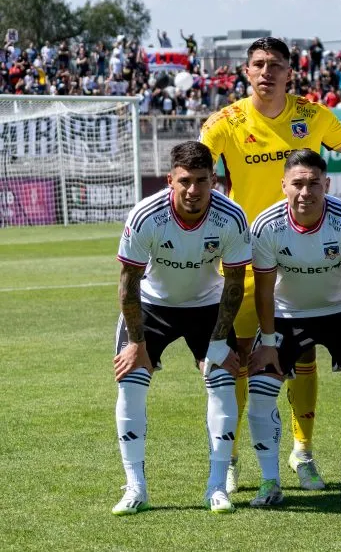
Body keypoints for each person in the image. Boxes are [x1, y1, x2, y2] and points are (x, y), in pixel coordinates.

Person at [200, 36, 341, 494]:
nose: (266, 72)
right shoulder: (225, 123)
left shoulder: (312, 115)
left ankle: (302, 451)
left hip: (305, 255)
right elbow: (196, 170)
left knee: (303, 356)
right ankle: (235, 454)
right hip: (246, 259)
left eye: (275, 65)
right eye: (258, 64)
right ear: (245, 72)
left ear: (289, 72)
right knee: (243, 360)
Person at [112, 142, 250, 515]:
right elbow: (129, 284)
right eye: (184, 181)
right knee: (130, 380)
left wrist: (220, 342)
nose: (193, 190)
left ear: (214, 180)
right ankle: (135, 487)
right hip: (151, 307)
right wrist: (136, 343)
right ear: (170, 179)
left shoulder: (232, 217)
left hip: (207, 307)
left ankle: (216, 487)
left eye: (201, 181)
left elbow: (235, 283)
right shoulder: (146, 216)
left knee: (223, 380)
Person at [247, 149, 341, 508]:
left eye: (314, 184)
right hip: (288, 316)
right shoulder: (266, 226)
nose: (306, 192)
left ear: (327, 185)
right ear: (284, 185)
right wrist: (269, 343)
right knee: (260, 391)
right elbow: (263, 289)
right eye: (298, 184)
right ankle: (269, 483)